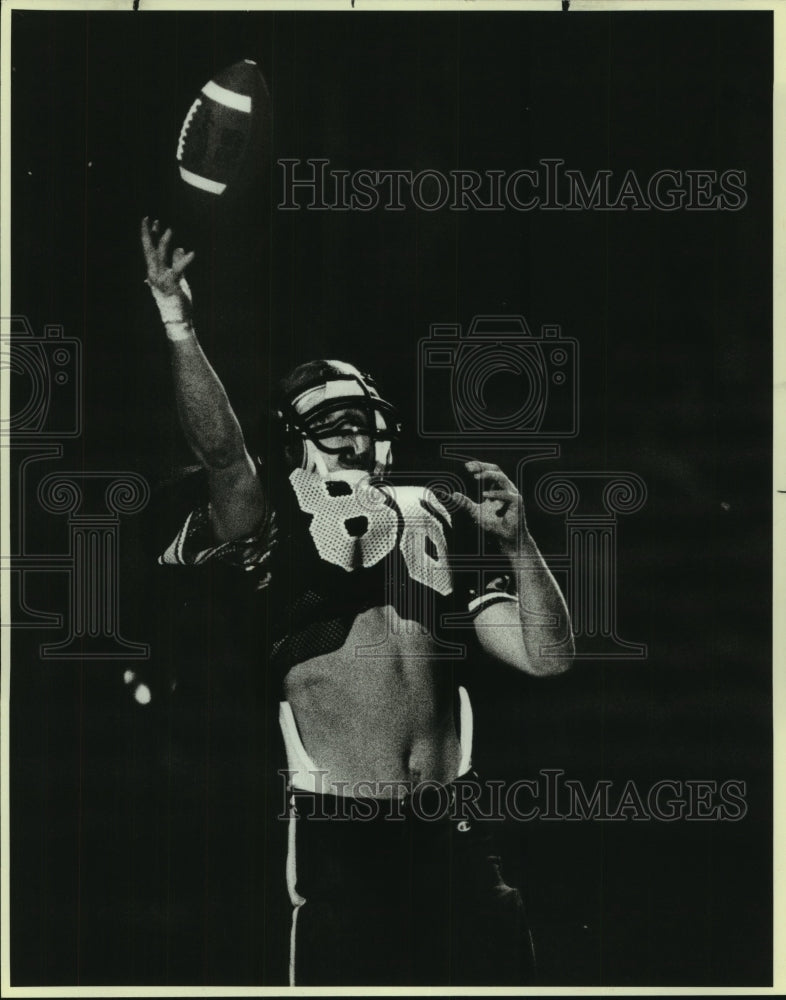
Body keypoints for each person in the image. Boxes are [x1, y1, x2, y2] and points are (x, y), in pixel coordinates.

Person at [140, 216, 575, 986]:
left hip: (452, 821)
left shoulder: (436, 514)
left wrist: (518, 543)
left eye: (363, 423)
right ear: (295, 441)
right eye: (331, 426)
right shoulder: (273, 513)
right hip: (344, 830)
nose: (352, 438)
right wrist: (178, 321)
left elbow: (547, 656)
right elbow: (219, 452)